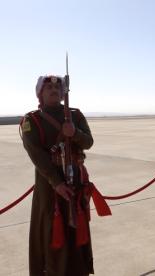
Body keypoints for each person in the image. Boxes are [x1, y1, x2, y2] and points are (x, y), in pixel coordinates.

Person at [21, 75, 96, 275]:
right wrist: (56, 182)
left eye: (57, 86)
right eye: (48, 87)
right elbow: (36, 155)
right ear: (40, 93)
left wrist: (75, 134)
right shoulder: (32, 120)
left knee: (77, 226)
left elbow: (88, 142)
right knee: (51, 229)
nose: (54, 89)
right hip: (49, 185)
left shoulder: (75, 115)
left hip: (77, 180)